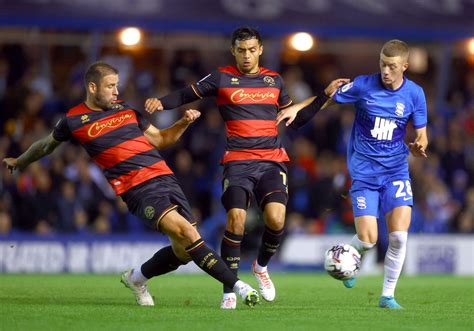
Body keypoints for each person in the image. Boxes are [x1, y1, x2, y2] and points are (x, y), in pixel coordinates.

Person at [2, 61, 260, 308]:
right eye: (110, 86)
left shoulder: (126, 110)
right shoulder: (73, 120)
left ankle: (136, 278)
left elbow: (160, 140)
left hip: (166, 179)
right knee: (189, 234)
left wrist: (183, 122)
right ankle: (238, 286)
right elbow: (46, 145)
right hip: (136, 188)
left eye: (117, 85)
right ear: (92, 88)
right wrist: (20, 161)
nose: (116, 91)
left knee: (183, 251)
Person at [144, 26, 347, 309]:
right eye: (241, 50)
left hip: (271, 161)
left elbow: (296, 119)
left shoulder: (274, 81)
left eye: (252, 50)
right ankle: (229, 290)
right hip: (237, 162)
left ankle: (261, 267)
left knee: (276, 220)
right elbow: (186, 94)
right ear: (233, 51)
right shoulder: (222, 77)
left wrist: (324, 95)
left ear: (260, 50)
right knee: (236, 220)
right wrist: (160, 103)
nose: (247, 55)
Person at [277, 39, 428, 309]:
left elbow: (422, 135)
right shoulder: (362, 86)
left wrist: (419, 147)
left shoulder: (415, 94)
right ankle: (348, 255)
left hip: (396, 171)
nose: (385, 71)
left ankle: (388, 296)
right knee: (368, 240)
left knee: (398, 236)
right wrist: (297, 107)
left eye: (392, 66)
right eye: (382, 64)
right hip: (364, 175)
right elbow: (327, 101)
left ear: (404, 66)